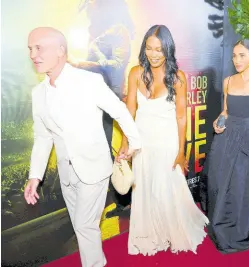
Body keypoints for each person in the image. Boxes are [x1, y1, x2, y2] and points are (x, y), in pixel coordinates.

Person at [24, 27, 141, 267]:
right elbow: (42, 137)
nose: (33, 54)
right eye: (30, 49)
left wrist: (134, 143)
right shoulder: (38, 93)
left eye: (38, 48)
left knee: (85, 226)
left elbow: (119, 111)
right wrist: (35, 176)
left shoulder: (88, 81)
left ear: (60, 51)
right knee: (81, 226)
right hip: (67, 173)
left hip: (94, 168)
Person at [118, 25, 208, 256]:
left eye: (159, 49)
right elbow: (129, 111)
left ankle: (171, 229)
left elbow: (181, 117)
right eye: (149, 48)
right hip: (142, 143)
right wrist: (125, 143)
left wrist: (181, 152)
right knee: (145, 188)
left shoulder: (177, 77)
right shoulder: (136, 73)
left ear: (168, 49)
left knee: (165, 189)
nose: (154, 54)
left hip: (167, 143)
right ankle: (149, 232)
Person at [206, 39, 249, 253]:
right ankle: (221, 226)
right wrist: (218, 122)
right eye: (234, 55)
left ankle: (242, 230)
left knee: (243, 186)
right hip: (227, 139)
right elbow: (226, 112)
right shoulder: (228, 81)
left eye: (242, 55)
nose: (237, 60)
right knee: (221, 183)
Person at [71, 0, 135, 217]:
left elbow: (116, 64)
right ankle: (117, 200)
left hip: (109, 96)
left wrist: (82, 64)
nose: (90, 9)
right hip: (92, 97)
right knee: (98, 147)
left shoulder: (118, 30)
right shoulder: (99, 30)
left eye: (93, 5)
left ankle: (123, 199)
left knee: (107, 147)